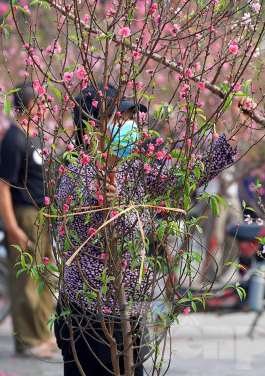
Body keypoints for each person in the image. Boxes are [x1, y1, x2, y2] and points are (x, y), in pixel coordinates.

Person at [54, 84, 252, 376]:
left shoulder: (130, 167)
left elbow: (182, 179)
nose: (130, 126)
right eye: (120, 118)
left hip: (124, 310)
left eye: (132, 118)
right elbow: (108, 230)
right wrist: (108, 205)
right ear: (92, 126)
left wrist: (234, 132)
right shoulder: (79, 173)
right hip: (91, 315)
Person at [0, 82, 57, 358]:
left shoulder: (35, 136)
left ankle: (43, 334)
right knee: (26, 283)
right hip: (23, 215)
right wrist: (12, 227)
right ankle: (28, 341)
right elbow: (1, 185)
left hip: (41, 215)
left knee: (46, 279)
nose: (44, 109)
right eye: (38, 104)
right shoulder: (14, 139)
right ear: (25, 107)